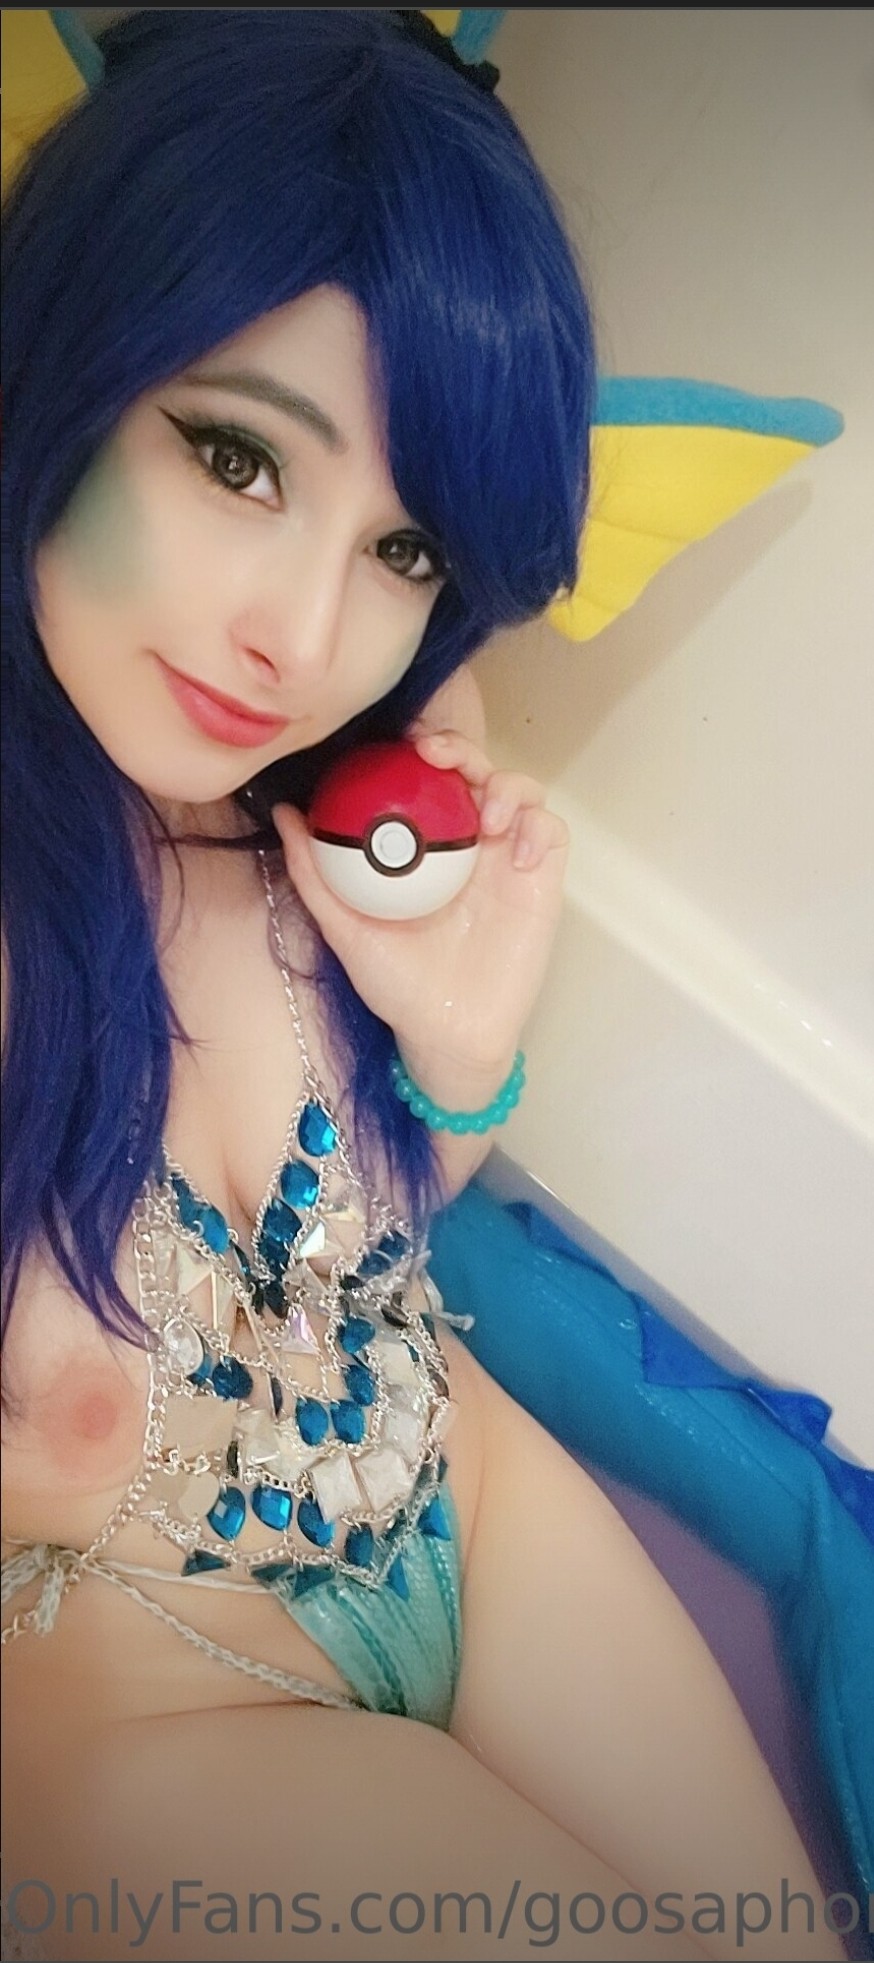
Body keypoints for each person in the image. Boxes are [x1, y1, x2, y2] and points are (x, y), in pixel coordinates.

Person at [0, 13, 849, 1962]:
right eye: (236, 458)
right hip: (149, 1693)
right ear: (61, 359)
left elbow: (365, 1235)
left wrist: (455, 1046)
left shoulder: (328, 799)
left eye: (400, 545)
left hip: (456, 1478)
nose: (304, 632)